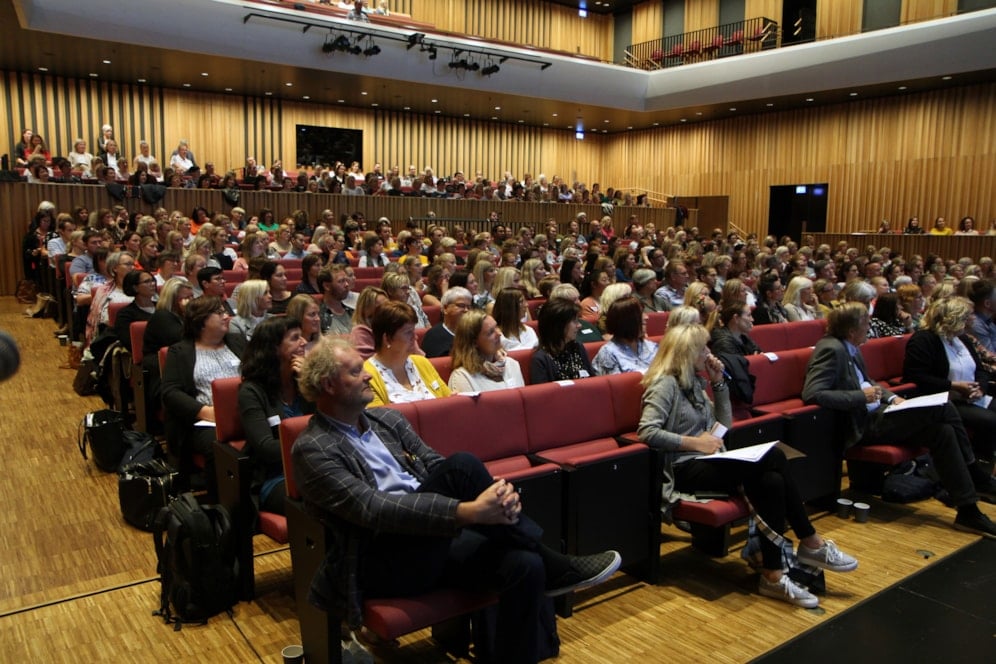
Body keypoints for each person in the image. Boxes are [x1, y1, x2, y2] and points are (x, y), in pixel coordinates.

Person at [291, 338, 621, 663]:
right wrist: (467, 512)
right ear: (328, 385)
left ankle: (538, 590)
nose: (367, 376)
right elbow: (372, 509)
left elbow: (434, 464)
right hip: (381, 559)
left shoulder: (387, 421)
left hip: (432, 541)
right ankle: (559, 566)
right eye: (355, 372)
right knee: (462, 465)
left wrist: (494, 496)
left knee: (526, 565)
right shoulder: (313, 449)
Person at [638, 324, 858, 608]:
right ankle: (810, 541)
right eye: (704, 348)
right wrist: (693, 443)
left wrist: (719, 384)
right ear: (687, 352)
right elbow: (647, 432)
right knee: (775, 457)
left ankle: (773, 574)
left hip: (710, 461)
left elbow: (724, 426)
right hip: (681, 470)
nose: (709, 353)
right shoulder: (664, 383)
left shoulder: (696, 381)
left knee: (772, 482)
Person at [802, 303, 996, 537]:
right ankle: (974, 471)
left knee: (942, 432)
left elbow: (869, 381)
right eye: (866, 324)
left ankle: (968, 509)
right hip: (865, 423)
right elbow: (813, 393)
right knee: (943, 407)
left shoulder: (850, 346)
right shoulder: (831, 349)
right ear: (852, 329)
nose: (870, 328)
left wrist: (893, 398)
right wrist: (859, 396)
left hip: (882, 411)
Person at [161, 296, 244, 498]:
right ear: (202, 321)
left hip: (245, 413)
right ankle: (223, 505)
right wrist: (205, 412)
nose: (227, 316)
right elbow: (171, 392)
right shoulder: (180, 352)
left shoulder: (237, 342)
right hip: (203, 421)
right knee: (219, 449)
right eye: (220, 313)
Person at [903, 296, 996, 465]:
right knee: (990, 421)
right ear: (954, 318)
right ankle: (978, 468)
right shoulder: (923, 340)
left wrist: (981, 389)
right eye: (967, 316)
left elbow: (981, 369)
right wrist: (954, 386)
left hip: (974, 396)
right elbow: (915, 376)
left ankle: (986, 464)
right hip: (945, 400)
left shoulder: (963, 338)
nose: (972, 319)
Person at [239, 316, 314, 516]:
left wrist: (311, 381)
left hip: (317, 466)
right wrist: (317, 443)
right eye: (295, 338)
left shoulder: (305, 382)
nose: (304, 342)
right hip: (276, 477)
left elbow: (334, 421)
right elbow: (268, 449)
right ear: (273, 347)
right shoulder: (252, 391)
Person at [364, 301, 450, 406]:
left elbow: (448, 401)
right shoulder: (368, 375)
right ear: (387, 339)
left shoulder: (422, 363)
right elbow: (380, 419)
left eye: (414, 331)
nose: (415, 337)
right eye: (408, 333)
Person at [448, 310, 525, 393]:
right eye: (491, 332)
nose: (499, 333)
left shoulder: (512, 365)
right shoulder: (462, 377)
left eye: (496, 327)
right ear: (474, 342)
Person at [531, 298, 594, 384]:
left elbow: (592, 381)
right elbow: (542, 395)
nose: (579, 325)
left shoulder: (577, 347)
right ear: (558, 325)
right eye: (574, 321)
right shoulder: (541, 359)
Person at [591, 297, 658, 375]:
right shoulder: (608, 353)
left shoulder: (651, 346)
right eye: (640, 314)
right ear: (627, 321)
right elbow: (616, 385)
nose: (646, 317)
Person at [113, 270, 157, 353]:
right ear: (135, 287)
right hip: (147, 354)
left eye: (153, 280)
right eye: (147, 281)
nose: (153, 284)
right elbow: (130, 342)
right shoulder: (125, 315)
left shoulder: (163, 307)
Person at [422, 286, 472, 358]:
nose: (466, 310)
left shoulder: (472, 332)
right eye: (461, 305)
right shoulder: (434, 336)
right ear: (445, 308)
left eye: (469, 307)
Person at [348, 286, 388, 359]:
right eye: (379, 307)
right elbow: (369, 362)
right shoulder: (360, 332)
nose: (386, 310)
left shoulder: (393, 326)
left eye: (387, 305)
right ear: (366, 310)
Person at [229, 279, 271, 344]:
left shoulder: (274, 319)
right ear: (251, 297)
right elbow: (240, 350)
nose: (270, 296)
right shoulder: (235, 324)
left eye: (269, 292)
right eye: (265, 293)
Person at [318, 264, 355, 335]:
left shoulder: (353, 313)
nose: (347, 284)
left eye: (346, 280)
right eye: (341, 281)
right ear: (327, 286)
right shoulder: (319, 317)